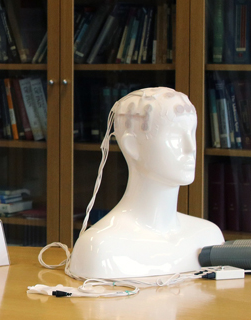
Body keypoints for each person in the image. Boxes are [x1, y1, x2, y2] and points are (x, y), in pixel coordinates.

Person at [69, 87, 224, 279]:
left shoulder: (208, 237)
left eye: (192, 133)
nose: (190, 148)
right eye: (175, 136)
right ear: (132, 146)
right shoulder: (100, 248)